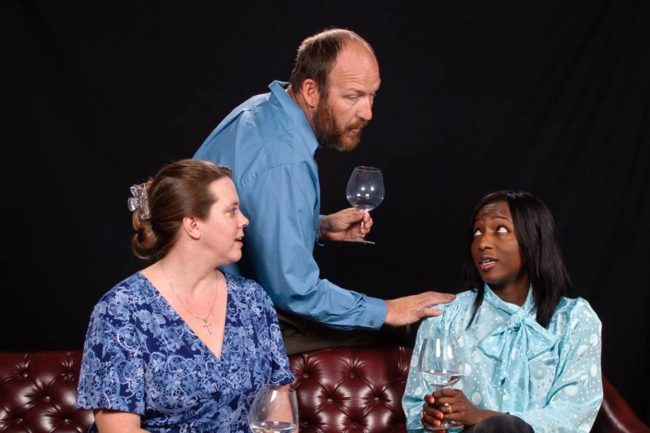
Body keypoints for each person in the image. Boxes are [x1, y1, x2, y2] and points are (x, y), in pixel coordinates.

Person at [193, 27, 454, 354]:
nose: (368, 112)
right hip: (225, 325)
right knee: (415, 329)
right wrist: (389, 310)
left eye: (373, 94)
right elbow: (293, 291)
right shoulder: (283, 160)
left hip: (207, 300)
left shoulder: (262, 110)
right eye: (353, 96)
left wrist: (320, 225)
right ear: (311, 91)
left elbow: (251, 211)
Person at [76, 159, 294, 433]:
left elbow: (278, 399)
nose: (244, 220)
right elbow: (118, 429)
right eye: (231, 211)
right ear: (193, 225)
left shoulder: (252, 300)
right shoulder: (121, 310)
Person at [402, 190, 603, 433]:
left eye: (500, 230)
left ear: (534, 239)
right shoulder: (444, 318)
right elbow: (416, 411)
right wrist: (431, 418)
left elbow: (572, 414)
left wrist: (480, 416)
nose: (483, 243)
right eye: (477, 232)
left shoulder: (574, 319)